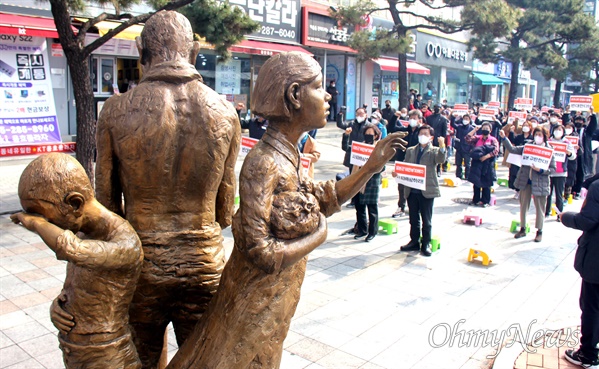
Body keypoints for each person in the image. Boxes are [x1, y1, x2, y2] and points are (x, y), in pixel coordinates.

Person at [168, 51, 406, 369]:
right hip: (251, 306)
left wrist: (369, 168)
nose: (328, 96)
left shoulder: (292, 155)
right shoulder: (263, 163)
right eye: (319, 87)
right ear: (294, 95)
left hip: (277, 302)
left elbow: (324, 198)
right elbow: (260, 251)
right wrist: (319, 234)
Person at [91, 11, 241, 368]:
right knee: (201, 359)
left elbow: (107, 209)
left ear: (141, 50)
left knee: (139, 360)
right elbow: (223, 213)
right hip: (205, 265)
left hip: (142, 266)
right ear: (193, 51)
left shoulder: (115, 111)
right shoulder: (225, 113)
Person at [11, 153, 143, 369]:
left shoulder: (125, 242)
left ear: (74, 203)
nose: (44, 223)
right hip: (77, 352)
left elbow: (72, 249)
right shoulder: (82, 231)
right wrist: (61, 304)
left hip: (107, 357)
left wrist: (35, 224)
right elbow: (81, 286)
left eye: (44, 216)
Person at [559, 174, 599, 369]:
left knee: (592, 306)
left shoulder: (598, 187)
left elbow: (587, 221)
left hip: (596, 260)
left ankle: (588, 354)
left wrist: (565, 217)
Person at [499, 127, 556, 242]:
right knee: (523, 205)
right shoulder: (528, 147)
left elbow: (553, 169)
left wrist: (540, 170)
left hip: (540, 182)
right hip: (526, 181)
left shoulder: (549, 150)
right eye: (536, 134)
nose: (538, 137)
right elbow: (513, 149)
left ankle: (539, 231)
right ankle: (523, 228)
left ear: (544, 136)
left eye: (540, 135)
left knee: (540, 207)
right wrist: (504, 138)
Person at [399, 125, 446, 256]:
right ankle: (414, 241)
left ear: (431, 137)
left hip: (426, 190)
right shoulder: (411, 150)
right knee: (413, 218)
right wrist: (398, 173)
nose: (422, 136)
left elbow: (441, 159)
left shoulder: (434, 151)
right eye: (421, 133)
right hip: (412, 190)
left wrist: (442, 145)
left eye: (425, 134)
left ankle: (426, 243)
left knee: (427, 220)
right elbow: (405, 166)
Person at [352, 123, 384, 242]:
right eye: (366, 134)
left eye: (371, 134)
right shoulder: (360, 147)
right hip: (359, 179)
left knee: (372, 208)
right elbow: (352, 157)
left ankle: (372, 232)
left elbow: (383, 167)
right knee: (359, 207)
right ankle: (362, 230)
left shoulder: (379, 148)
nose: (368, 136)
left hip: (372, 180)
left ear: (376, 135)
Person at [392, 109, 422, 218]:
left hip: (416, 163)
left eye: (415, 118)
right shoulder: (405, 131)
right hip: (402, 162)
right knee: (402, 186)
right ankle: (401, 206)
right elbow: (392, 128)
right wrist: (395, 117)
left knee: (415, 187)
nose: (412, 120)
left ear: (419, 120)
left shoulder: (421, 132)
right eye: (411, 118)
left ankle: (415, 208)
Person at [545, 124, 577, 219]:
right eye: (556, 129)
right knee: (548, 194)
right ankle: (547, 212)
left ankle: (559, 214)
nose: (558, 131)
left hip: (561, 172)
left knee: (559, 195)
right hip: (550, 171)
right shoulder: (549, 141)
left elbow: (573, 156)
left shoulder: (567, 143)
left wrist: (569, 153)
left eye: (560, 129)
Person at [465, 121, 499, 207]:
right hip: (477, 162)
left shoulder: (493, 140)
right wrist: (475, 129)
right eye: (484, 128)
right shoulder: (477, 138)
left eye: (487, 129)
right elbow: (467, 138)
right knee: (476, 182)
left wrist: (486, 156)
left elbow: (496, 150)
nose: (485, 130)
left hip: (487, 163)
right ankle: (475, 199)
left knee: (486, 183)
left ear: (490, 130)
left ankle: (485, 201)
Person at [507, 119, 534, 197]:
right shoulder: (519, 137)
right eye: (524, 125)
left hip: (528, 158)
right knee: (516, 173)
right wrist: (511, 132)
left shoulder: (532, 137)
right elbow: (513, 142)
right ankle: (517, 190)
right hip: (518, 157)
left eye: (527, 126)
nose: (525, 127)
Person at [452, 113, 475, 180]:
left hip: (467, 148)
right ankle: (458, 175)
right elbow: (453, 124)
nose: (465, 120)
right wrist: (453, 117)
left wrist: (472, 148)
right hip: (459, 148)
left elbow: (474, 139)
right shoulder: (459, 127)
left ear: (469, 120)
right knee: (458, 163)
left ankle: (467, 176)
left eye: (467, 119)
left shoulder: (472, 128)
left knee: (467, 164)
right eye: (464, 119)